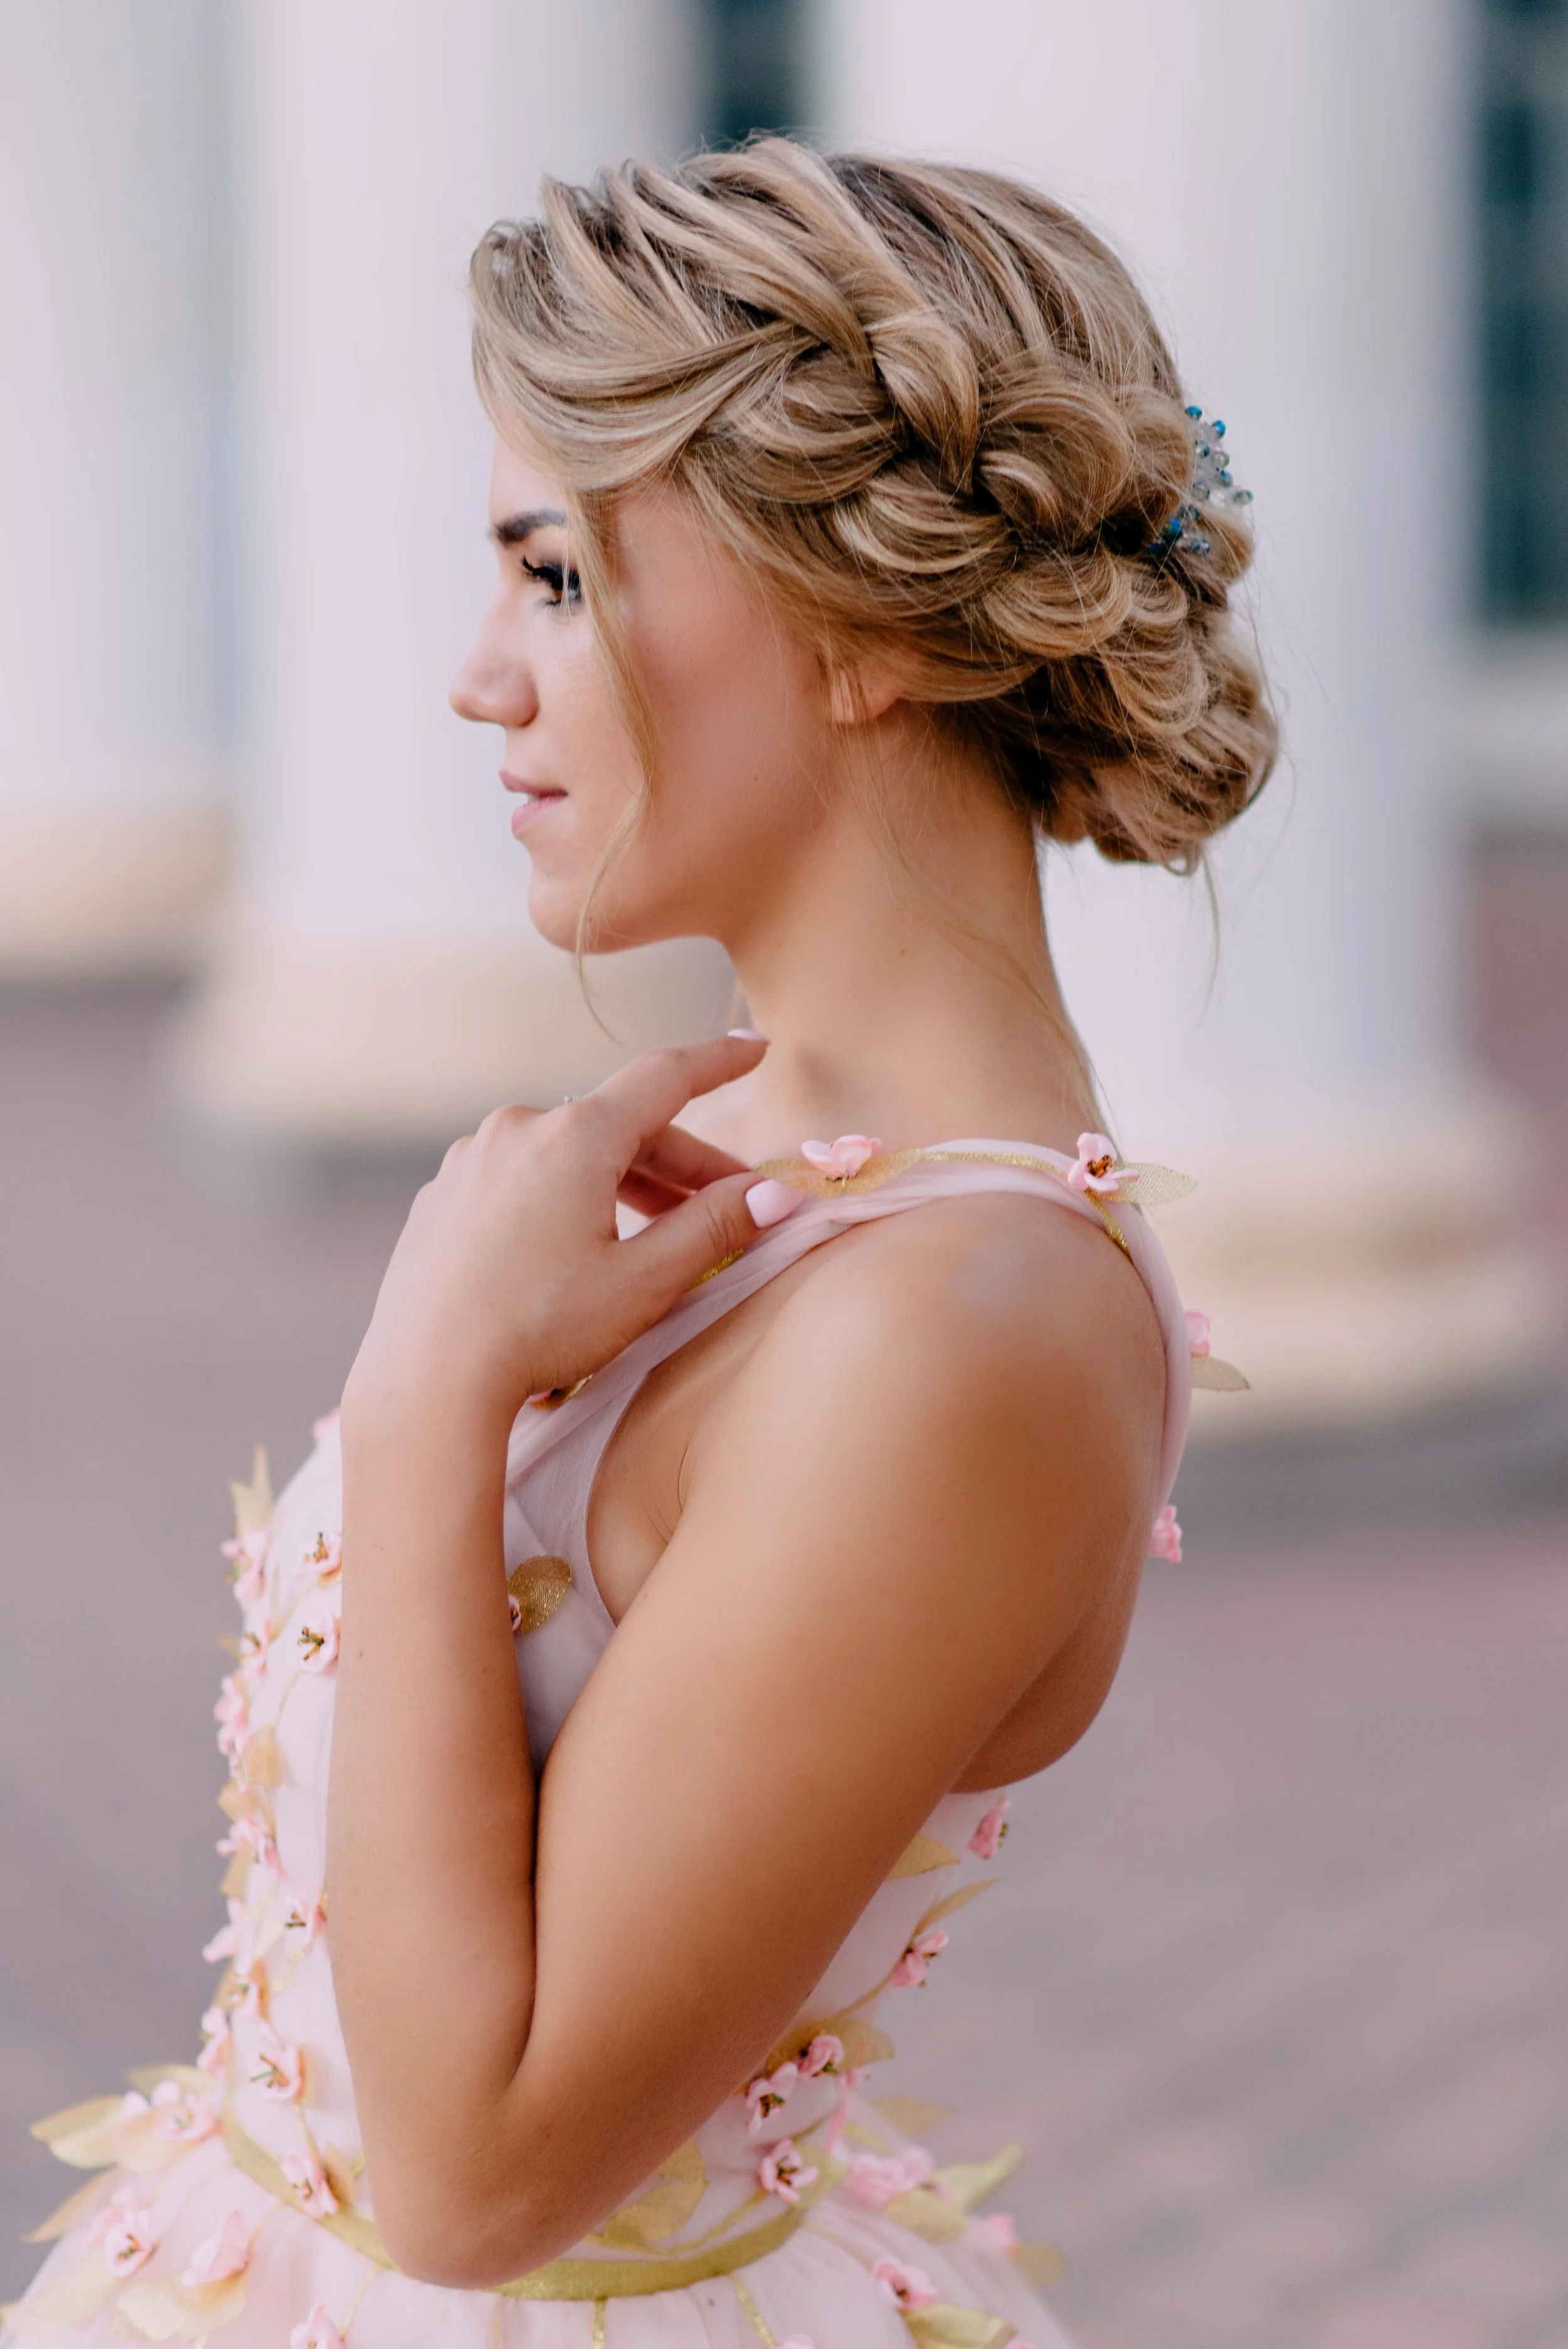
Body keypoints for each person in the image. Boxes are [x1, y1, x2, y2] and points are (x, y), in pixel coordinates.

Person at [8, 141, 1272, 2349]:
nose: (481, 681)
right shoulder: (778, 1164)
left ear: (864, 627)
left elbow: (482, 2176)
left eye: (557, 577)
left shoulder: (956, 1327)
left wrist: (425, 1403)